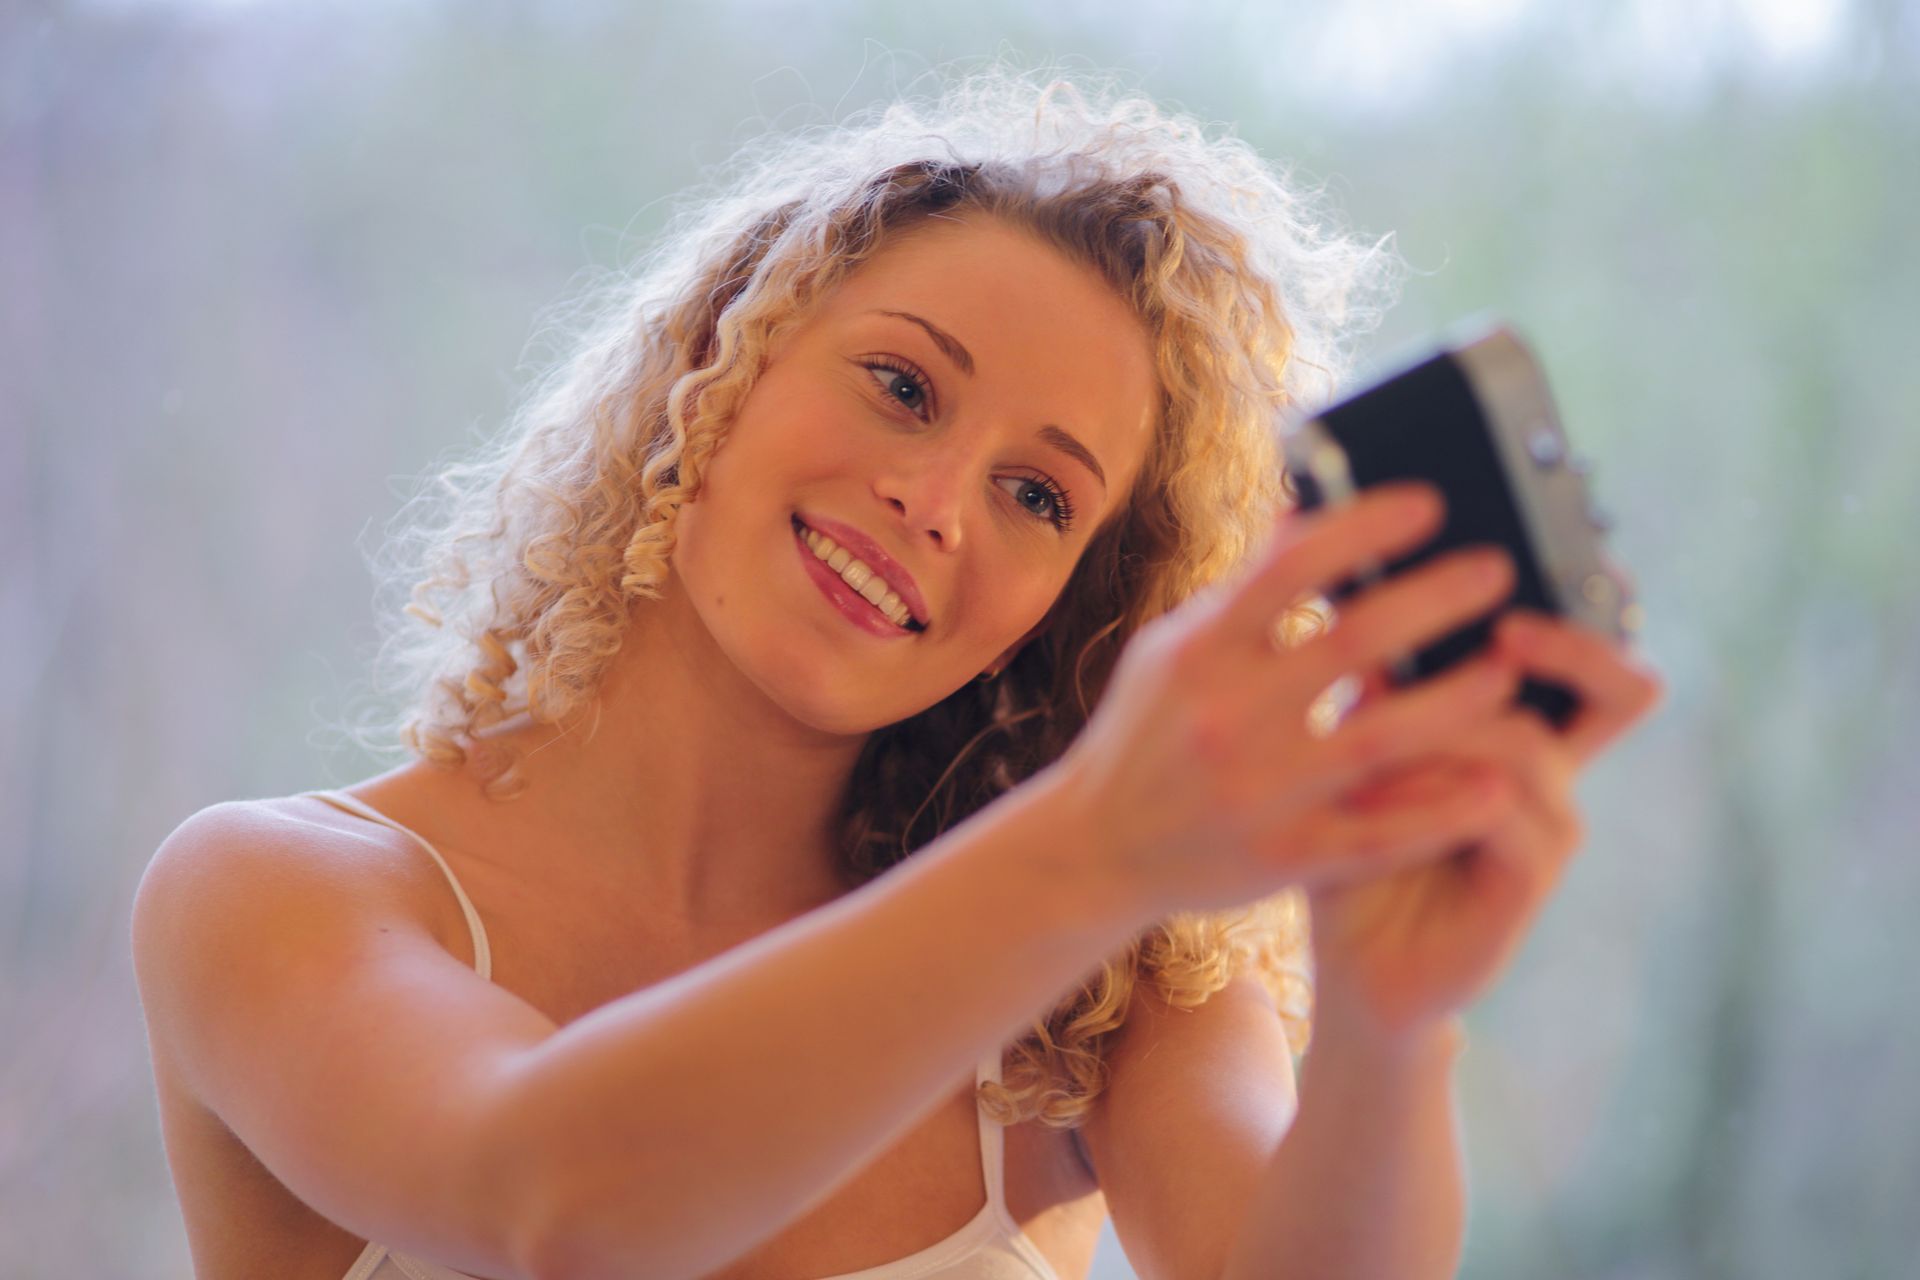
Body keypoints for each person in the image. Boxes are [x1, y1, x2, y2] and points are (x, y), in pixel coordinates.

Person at [130, 67, 1663, 1280]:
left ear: (1082, 601)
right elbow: (557, 1206)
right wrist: (1104, 839)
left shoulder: (1100, 1000)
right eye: (903, 385)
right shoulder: (274, 894)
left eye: (1039, 495)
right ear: (718, 360)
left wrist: (1392, 1027)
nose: (935, 505)